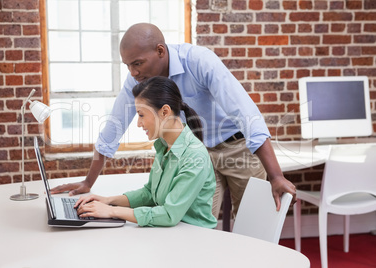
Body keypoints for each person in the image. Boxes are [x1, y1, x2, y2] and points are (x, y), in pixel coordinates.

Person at [51, 23, 296, 219]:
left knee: (250, 224)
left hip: (237, 147)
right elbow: (113, 127)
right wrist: (88, 182)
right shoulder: (138, 79)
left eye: (137, 63)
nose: (133, 72)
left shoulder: (199, 61)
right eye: (128, 66)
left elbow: (247, 114)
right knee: (195, 223)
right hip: (197, 153)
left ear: (160, 51)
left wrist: (275, 175)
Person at [74, 76, 217, 228]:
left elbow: (169, 215)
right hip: (172, 233)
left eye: (141, 115)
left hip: (194, 238)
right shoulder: (164, 145)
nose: (138, 123)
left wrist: (111, 211)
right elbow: (150, 193)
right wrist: (109, 201)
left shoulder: (195, 156)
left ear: (164, 112)